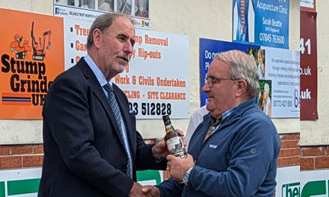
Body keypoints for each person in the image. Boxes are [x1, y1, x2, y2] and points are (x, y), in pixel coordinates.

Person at [39, 13, 170, 197]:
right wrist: (129, 188)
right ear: (98, 38)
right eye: (122, 38)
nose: (129, 49)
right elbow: (79, 154)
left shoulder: (117, 96)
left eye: (132, 42)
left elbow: (129, 151)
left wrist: (155, 153)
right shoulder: (69, 86)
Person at [143, 50, 281, 197]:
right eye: (206, 80)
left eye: (213, 81)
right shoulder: (207, 122)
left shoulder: (257, 127)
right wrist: (160, 192)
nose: (205, 88)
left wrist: (189, 173)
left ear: (239, 87)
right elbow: (186, 179)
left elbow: (238, 187)